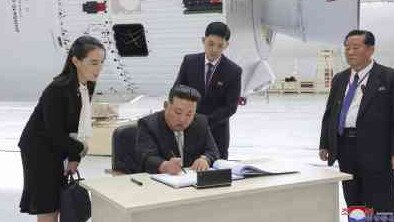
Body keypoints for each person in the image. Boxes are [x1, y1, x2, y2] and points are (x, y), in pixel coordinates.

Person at [18, 36, 106, 222]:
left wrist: (74, 157)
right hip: (39, 148)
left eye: (101, 63)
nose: (98, 68)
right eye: (93, 63)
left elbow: (74, 126)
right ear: (75, 61)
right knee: (48, 206)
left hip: (57, 145)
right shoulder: (58, 89)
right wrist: (79, 149)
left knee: (58, 201)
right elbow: (53, 132)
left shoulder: (85, 85)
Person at [319, 30, 394, 212]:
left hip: (378, 150)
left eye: (355, 47)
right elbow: (330, 114)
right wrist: (325, 143)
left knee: (380, 200)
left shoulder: (388, 77)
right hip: (345, 148)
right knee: (353, 199)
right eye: (347, 48)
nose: (350, 52)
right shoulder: (340, 79)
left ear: (370, 50)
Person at [174, 21, 242, 160]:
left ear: (226, 45)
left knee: (217, 173)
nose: (214, 49)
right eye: (210, 44)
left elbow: (231, 107)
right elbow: (177, 90)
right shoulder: (189, 61)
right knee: (188, 168)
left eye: (220, 45)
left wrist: (203, 121)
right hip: (188, 128)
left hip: (217, 133)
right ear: (203, 40)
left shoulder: (233, 71)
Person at [135, 85, 220, 175]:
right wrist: (165, 166)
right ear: (166, 105)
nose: (182, 119)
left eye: (189, 114)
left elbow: (213, 151)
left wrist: (205, 159)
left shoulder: (200, 122)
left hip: (191, 181)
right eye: (178, 112)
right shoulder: (148, 124)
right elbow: (147, 157)